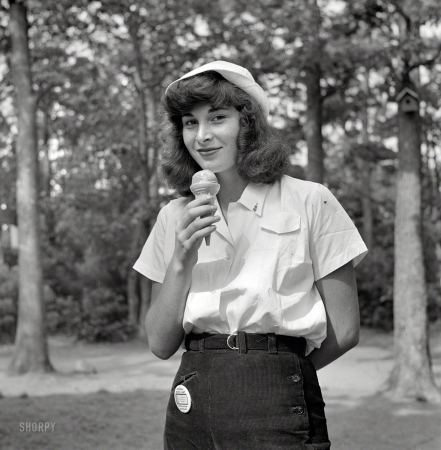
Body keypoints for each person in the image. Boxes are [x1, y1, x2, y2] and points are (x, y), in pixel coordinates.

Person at [133, 60, 368, 449]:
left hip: (277, 392)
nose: (202, 136)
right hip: (191, 397)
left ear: (248, 123)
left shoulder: (310, 200)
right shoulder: (174, 215)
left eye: (217, 118)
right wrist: (181, 261)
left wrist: (279, 374)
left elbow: (345, 330)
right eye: (190, 123)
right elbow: (160, 343)